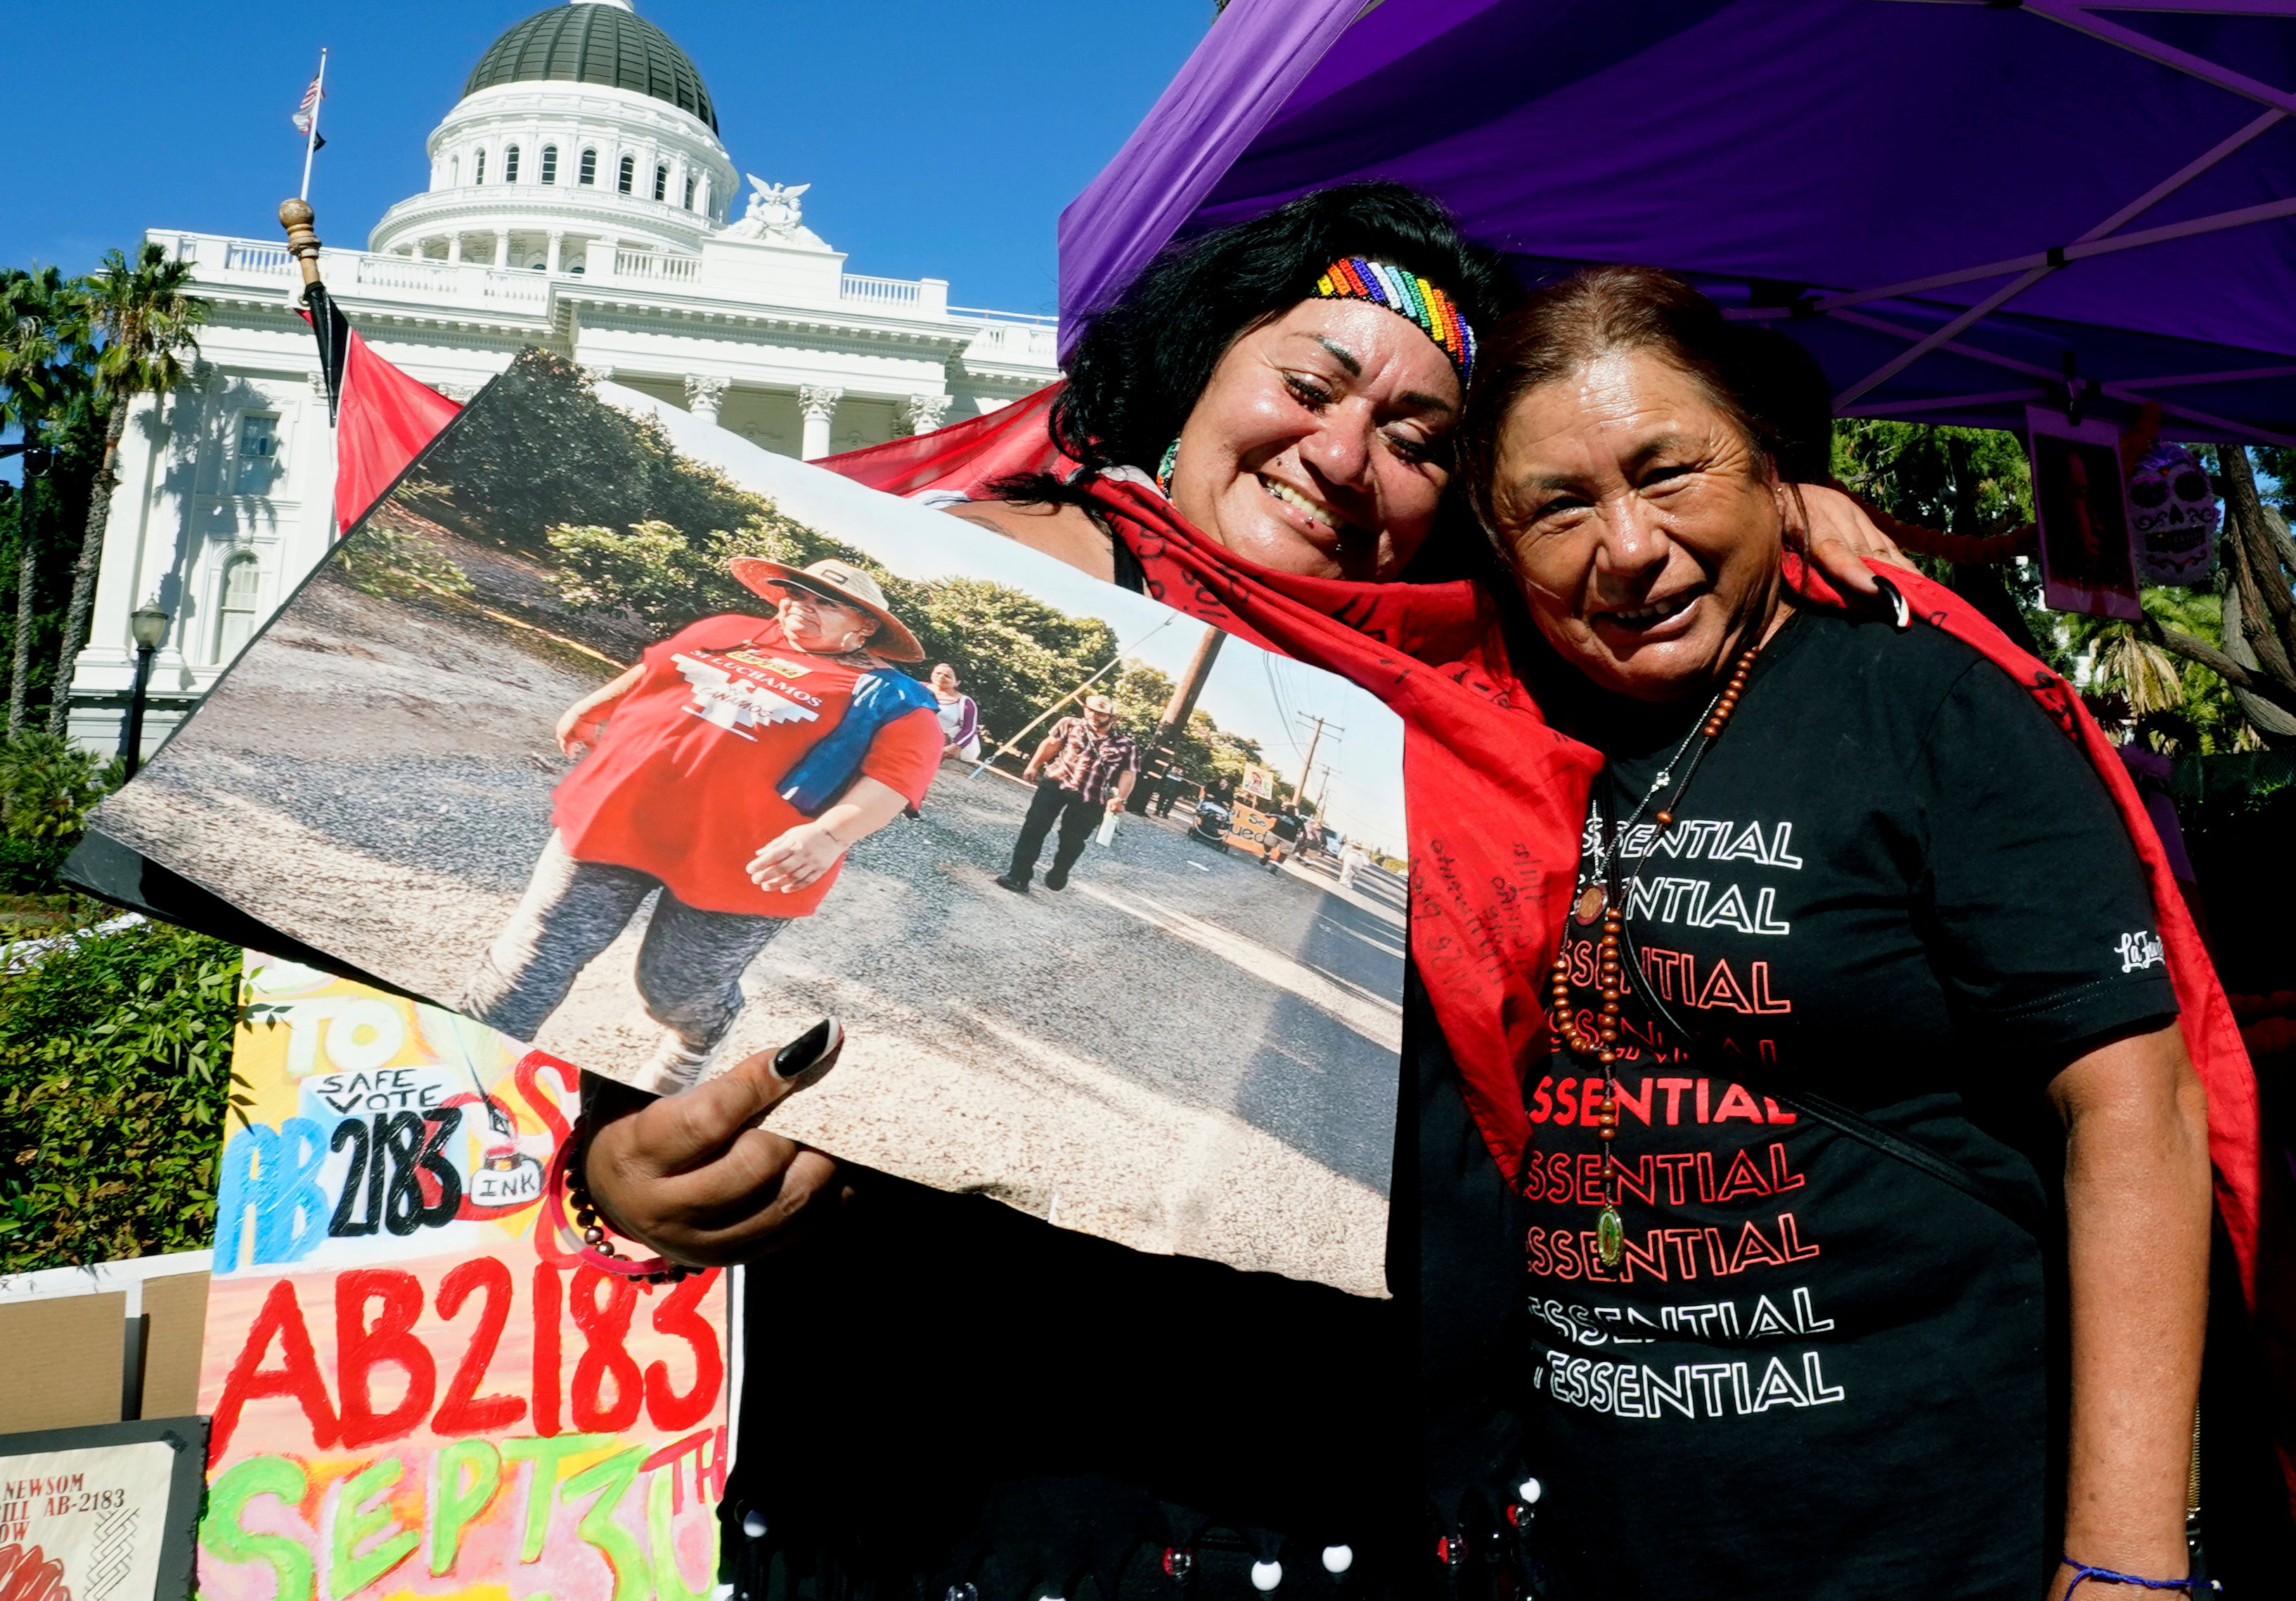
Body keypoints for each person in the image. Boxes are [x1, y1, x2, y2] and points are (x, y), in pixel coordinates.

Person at [565, 185, 1916, 1595]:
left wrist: (1769, 509)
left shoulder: (1487, 675)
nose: (1342, 456)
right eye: (1309, 383)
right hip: (960, 1501)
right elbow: (695, 967)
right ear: (1200, 363)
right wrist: (626, 1171)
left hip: (1357, 1499)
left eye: (1415, 440)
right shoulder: (969, 562)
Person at [1453, 266, 2215, 1600]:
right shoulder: (1480, 707)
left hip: (1924, 1535)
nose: (1627, 546)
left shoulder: (1926, 705)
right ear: (1496, 536)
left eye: (1670, 470)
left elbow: (2136, 1110)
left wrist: (2125, 1560)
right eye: (1560, 503)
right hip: (1596, 1549)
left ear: (1764, 463)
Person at [459, 557, 942, 1094]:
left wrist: (830, 835)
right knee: (534, 955)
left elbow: (897, 780)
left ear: (865, 624)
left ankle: (698, 1039)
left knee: (675, 989)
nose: (802, 606)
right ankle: (461, 1071)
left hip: (748, 864)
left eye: (824, 601)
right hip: (613, 820)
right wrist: (594, 706)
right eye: (795, 593)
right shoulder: (728, 631)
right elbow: (658, 669)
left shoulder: (894, 698)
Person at [996, 692, 1140, 893]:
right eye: (1090, 710)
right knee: (1034, 828)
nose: (1094, 716)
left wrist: (1119, 799)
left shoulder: (1127, 745)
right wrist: (1033, 766)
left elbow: (1128, 774)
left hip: (1091, 797)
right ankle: (1018, 877)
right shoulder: (1069, 724)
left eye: (1100, 713)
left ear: (1112, 718)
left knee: (1072, 840)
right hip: (1056, 784)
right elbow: (1051, 745)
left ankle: (1060, 870)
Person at [929, 660, 981, 760]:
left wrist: (956, 746)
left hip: (937, 746)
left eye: (948, 676)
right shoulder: (919, 688)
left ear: (957, 682)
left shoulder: (966, 703)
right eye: (938, 673)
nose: (941, 677)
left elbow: (970, 729)